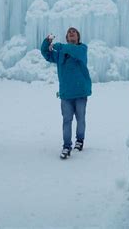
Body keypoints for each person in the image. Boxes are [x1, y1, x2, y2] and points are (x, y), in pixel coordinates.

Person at [41, 27, 92, 159]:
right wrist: (47, 41)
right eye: (69, 33)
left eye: (73, 32)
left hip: (81, 92)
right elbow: (46, 53)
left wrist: (61, 46)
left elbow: (72, 50)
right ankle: (66, 146)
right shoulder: (59, 54)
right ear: (67, 38)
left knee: (80, 119)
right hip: (66, 94)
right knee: (66, 120)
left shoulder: (82, 49)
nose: (71, 33)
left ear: (78, 38)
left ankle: (79, 140)